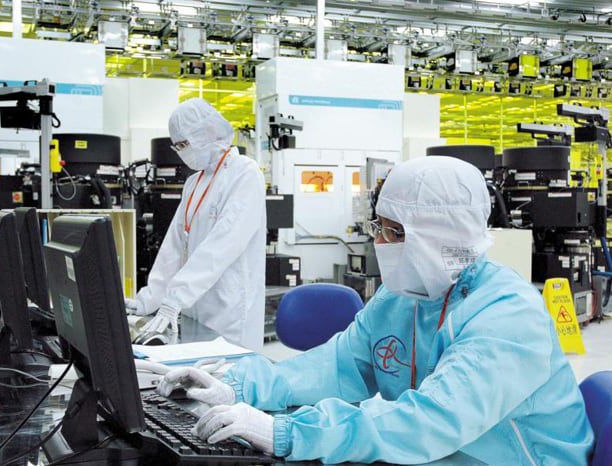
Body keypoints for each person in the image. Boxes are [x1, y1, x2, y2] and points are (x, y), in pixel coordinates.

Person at [154, 156, 594, 465]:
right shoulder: (403, 297)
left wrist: (289, 433)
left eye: (392, 232)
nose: (378, 243)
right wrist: (237, 387)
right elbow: (337, 364)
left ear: (439, 237)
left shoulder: (506, 316)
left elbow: (432, 420)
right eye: (378, 227)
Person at [126, 98, 266, 352]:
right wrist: (149, 300)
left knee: (229, 372)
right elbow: (175, 247)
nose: (182, 152)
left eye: (184, 144)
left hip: (230, 310)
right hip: (194, 309)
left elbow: (223, 244)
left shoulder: (245, 173)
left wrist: (177, 296)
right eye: (177, 146)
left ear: (208, 132)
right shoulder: (194, 183)